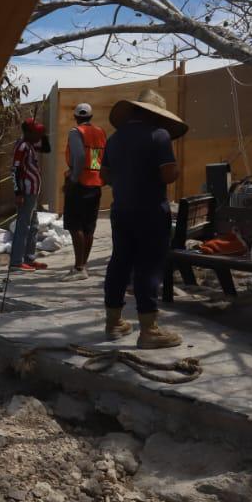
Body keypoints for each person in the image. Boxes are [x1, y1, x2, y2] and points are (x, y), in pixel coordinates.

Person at [102, 90, 188, 348]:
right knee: (148, 266)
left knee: (119, 261)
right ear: (155, 114)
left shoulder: (114, 139)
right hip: (150, 210)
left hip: (121, 211)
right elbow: (168, 174)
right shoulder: (159, 135)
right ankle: (149, 330)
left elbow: (104, 176)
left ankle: (113, 323)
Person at [63, 103, 106, 280]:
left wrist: (73, 178)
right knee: (89, 227)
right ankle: (84, 266)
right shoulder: (100, 132)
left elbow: (80, 157)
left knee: (75, 225)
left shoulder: (76, 132)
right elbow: (96, 160)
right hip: (95, 183)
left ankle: (79, 268)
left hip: (79, 183)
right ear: (90, 116)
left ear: (76, 117)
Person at [9, 118, 49, 272]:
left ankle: (29, 258)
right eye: (36, 132)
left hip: (33, 191)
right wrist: (18, 192)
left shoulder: (31, 145)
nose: (38, 136)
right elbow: (15, 170)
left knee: (33, 226)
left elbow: (46, 147)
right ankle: (16, 262)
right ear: (28, 133)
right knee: (23, 226)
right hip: (25, 192)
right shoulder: (22, 146)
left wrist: (42, 134)